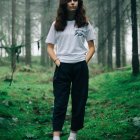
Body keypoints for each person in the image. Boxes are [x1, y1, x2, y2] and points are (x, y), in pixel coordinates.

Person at [45, 0, 95, 140]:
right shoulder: (56, 24)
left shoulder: (85, 23)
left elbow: (91, 47)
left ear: (79, 3)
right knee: (60, 101)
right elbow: (49, 46)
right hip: (62, 67)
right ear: (64, 3)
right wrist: (57, 61)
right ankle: (56, 136)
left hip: (80, 66)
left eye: (75, 0)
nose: (73, 2)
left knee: (79, 101)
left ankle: (73, 135)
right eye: (69, 0)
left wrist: (83, 62)